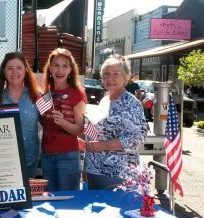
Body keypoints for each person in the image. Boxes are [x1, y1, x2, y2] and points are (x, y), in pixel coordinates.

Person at [84, 54, 148, 190]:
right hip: (94, 171)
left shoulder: (131, 103)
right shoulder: (104, 100)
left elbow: (138, 138)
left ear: (125, 78)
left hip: (118, 174)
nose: (110, 78)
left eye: (115, 74)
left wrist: (104, 146)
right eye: (106, 74)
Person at [40, 48, 87, 191]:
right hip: (47, 155)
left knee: (68, 202)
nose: (60, 70)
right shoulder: (46, 93)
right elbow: (43, 122)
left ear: (70, 70)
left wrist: (63, 123)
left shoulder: (76, 94)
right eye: (56, 65)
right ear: (50, 68)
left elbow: (80, 130)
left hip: (67, 155)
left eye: (64, 66)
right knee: (50, 201)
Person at [0, 52, 40, 179]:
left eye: (19, 68)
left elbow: (49, 125)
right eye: (10, 68)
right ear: (4, 71)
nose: (14, 72)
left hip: (30, 159)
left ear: (26, 70)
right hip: (3, 162)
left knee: (28, 198)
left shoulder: (37, 96)